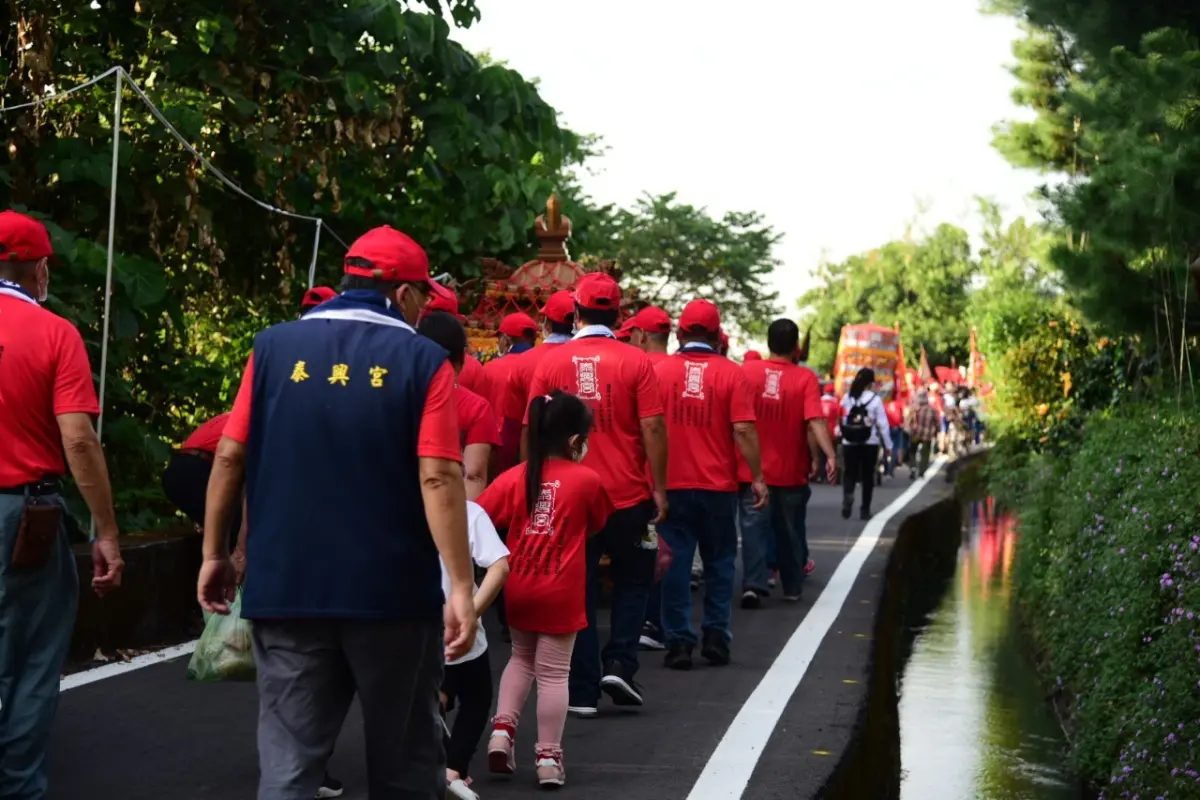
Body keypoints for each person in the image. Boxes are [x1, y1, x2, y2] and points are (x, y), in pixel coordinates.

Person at [196, 225, 478, 800]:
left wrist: (214, 553)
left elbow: (229, 456)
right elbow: (438, 475)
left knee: (290, 764)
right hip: (392, 596)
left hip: (288, 587)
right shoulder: (424, 360)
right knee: (404, 761)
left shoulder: (271, 348)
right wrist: (460, 586)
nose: (424, 309)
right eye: (423, 296)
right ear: (402, 295)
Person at [0, 210, 124, 799]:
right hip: (21, 518)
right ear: (34, 268)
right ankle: (18, 786)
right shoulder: (53, 333)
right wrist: (106, 530)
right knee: (30, 656)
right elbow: (77, 437)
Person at [525, 272, 667, 716]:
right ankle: (621, 664)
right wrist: (659, 487)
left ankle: (582, 689)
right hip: (627, 494)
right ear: (618, 314)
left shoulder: (549, 362)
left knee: (577, 590)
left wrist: (531, 485)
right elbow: (653, 427)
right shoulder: (636, 361)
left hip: (568, 498)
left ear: (575, 312)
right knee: (634, 579)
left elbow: (532, 425)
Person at [479, 391, 613, 787]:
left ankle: (502, 733)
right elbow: (599, 523)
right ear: (575, 441)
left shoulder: (515, 476)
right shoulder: (587, 480)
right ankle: (548, 759)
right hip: (561, 591)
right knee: (554, 674)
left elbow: (480, 515)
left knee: (520, 658)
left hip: (518, 585)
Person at [654, 299, 765, 668]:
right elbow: (744, 429)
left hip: (672, 485)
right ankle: (715, 636)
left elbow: (648, 430)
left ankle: (679, 642)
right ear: (718, 336)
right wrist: (758, 477)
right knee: (719, 561)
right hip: (719, 487)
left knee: (677, 563)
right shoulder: (733, 374)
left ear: (681, 333)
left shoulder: (660, 371)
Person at [737, 319, 838, 608]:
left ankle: (753, 585)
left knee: (753, 530)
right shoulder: (804, 378)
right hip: (790, 471)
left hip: (751, 471)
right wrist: (829, 455)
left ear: (768, 342)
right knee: (789, 532)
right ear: (796, 347)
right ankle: (792, 586)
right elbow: (814, 421)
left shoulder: (746, 372)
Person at [441, 501, 509, 800]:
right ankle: (452, 769)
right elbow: (500, 565)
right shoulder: (466, 511)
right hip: (456, 629)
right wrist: (471, 613)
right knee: (476, 697)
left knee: (421, 699)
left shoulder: (383, 504)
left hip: (401, 631)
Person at [624, 306, 674, 652]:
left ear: (641, 335)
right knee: (658, 556)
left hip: (633, 481)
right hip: (666, 480)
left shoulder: (632, 366)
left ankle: (648, 622)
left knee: (646, 554)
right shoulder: (679, 370)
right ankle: (659, 622)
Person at [418, 311, 501, 501]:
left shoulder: (397, 394)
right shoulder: (476, 407)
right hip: (447, 506)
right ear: (461, 355)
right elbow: (474, 475)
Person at [482, 312, 539, 471]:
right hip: (534, 447)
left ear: (506, 339)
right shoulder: (544, 365)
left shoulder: (490, 368)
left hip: (498, 448)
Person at [839, 368, 892, 520]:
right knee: (867, 476)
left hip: (849, 440)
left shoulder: (847, 397)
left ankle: (848, 497)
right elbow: (882, 424)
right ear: (871, 382)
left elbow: (842, 417)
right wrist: (888, 446)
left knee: (849, 473)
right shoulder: (875, 400)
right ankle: (865, 509)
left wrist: (841, 432)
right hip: (869, 441)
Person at [904, 390, 939, 480]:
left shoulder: (916, 409)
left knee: (912, 451)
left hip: (916, 434)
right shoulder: (932, 410)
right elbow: (937, 423)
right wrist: (936, 433)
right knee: (925, 454)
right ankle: (922, 471)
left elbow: (909, 421)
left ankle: (913, 467)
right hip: (927, 435)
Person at [818, 383, 841, 485]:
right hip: (832, 433)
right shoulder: (836, 404)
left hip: (819, 433)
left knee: (820, 455)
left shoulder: (818, 402)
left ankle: (821, 476)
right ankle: (831, 477)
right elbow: (839, 419)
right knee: (832, 455)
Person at [883, 393, 906, 477]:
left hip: (887, 428)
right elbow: (903, 414)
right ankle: (890, 470)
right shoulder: (898, 402)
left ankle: (886, 468)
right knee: (894, 449)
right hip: (896, 427)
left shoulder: (884, 403)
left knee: (886, 448)